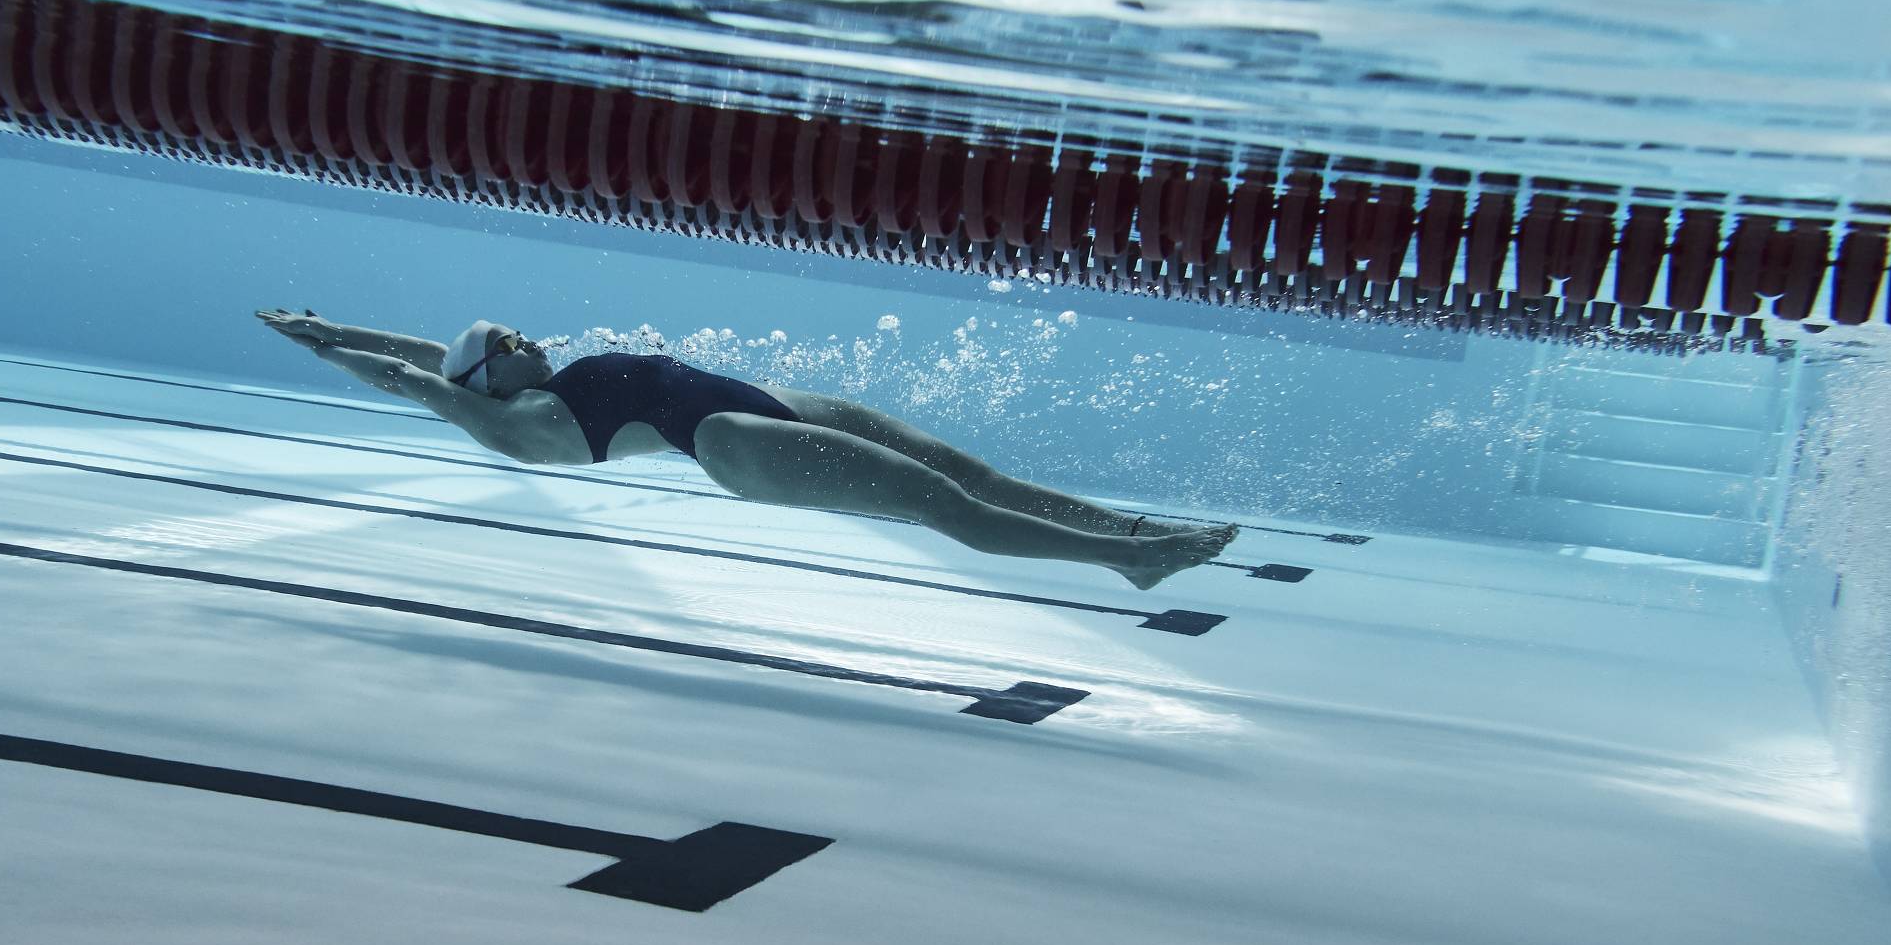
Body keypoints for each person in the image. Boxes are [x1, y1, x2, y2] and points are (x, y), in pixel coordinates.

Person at [255, 310, 1238, 589]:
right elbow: (423, 378)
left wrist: (332, 320)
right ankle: (1129, 557)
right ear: (488, 386)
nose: (516, 337)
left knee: (968, 473)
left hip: (765, 401)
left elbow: (432, 351)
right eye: (500, 346)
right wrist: (326, 350)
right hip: (728, 440)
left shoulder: (522, 386)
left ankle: (1131, 531)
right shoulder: (511, 421)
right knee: (944, 506)